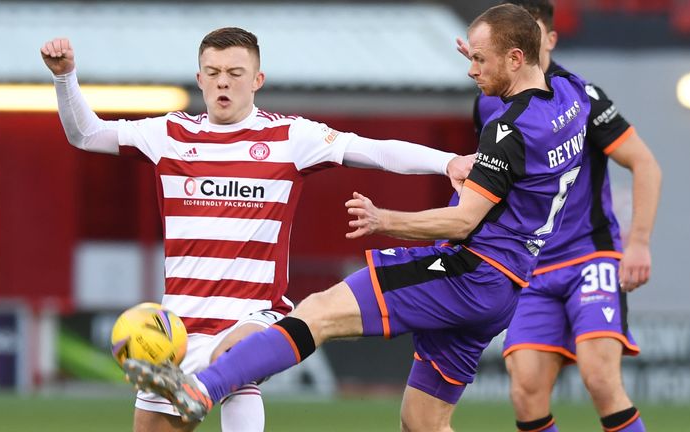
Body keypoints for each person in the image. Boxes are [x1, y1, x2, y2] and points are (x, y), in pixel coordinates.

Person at [122, 5, 592, 431]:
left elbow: (463, 223)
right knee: (423, 420)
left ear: (514, 58)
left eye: (480, 60)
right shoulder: (572, 97)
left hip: (467, 272)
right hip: (506, 287)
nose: (471, 70)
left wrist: (384, 218)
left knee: (318, 312)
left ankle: (200, 388)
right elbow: (536, 67)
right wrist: (494, 58)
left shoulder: (508, 131)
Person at [40, 28, 473, 432]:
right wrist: (65, 77)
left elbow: (375, 151)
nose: (223, 83)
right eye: (213, 73)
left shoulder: (289, 136)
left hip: (255, 312)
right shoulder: (169, 134)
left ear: (257, 79)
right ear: (199, 78)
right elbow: (87, 134)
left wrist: (448, 162)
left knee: (239, 354)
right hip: (179, 328)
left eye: (234, 73)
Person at [453, 1, 661, 431]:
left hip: (590, 255)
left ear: (548, 39)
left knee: (600, 378)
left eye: (534, 35)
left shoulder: (581, 95)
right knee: (525, 391)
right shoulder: (490, 106)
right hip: (530, 266)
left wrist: (638, 240)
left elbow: (645, 163)